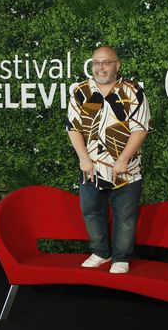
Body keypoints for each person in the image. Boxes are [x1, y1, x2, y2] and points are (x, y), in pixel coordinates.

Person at [65, 46, 152, 274]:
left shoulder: (133, 90)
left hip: (125, 170)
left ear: (117, 65)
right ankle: (100, 253)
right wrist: (83, 158)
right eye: (96, 63)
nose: (100, 67)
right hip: (90, 169)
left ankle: (121, 257)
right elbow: (73, 128)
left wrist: (123, 158)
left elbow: (140, 129)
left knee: (125, 217)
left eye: (105, 62)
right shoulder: (81, 91)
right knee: (92, 212)